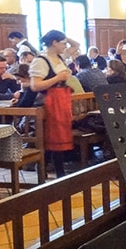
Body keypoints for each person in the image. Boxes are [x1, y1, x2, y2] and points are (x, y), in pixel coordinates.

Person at [29, 30, 76, 178]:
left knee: (61, 133)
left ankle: (57, 170)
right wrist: (58, 78)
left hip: (62, 98)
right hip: (50, 100)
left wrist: (63, 37)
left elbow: (76, 45)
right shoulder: (41, 60)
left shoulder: (59, 56)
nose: (65, 45)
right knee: (53, 135)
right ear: (54, 43)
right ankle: (52, 171)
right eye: (62, 43)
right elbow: (35, 86)